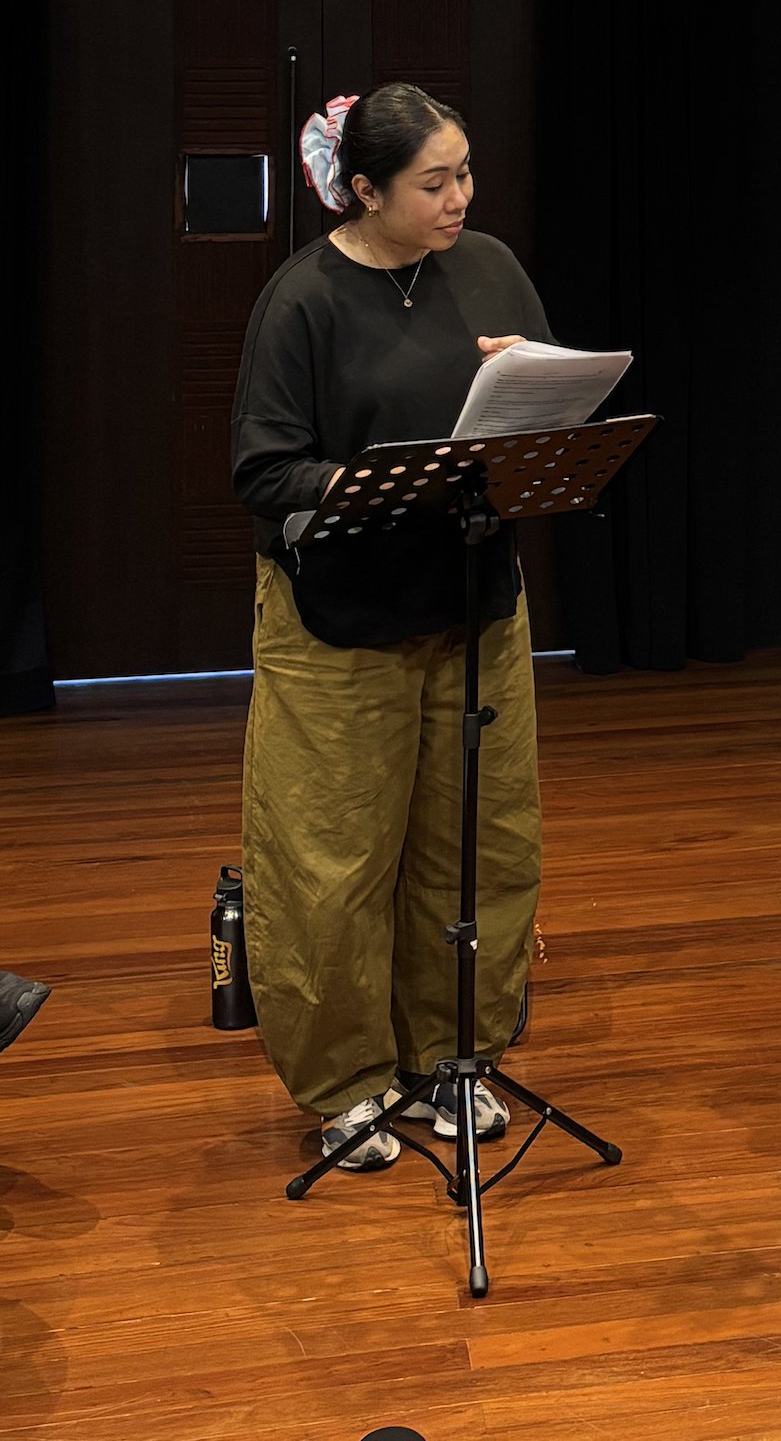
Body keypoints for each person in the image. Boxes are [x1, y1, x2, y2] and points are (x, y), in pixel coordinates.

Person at [231, 82, 549, 1171]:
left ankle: (450, 1058)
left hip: (471, 605)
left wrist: (530, 391)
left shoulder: (492, 265)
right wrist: (388, 479)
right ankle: (347, 1079)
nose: (460, 196)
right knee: (331, 860)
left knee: (478, 849)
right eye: (434, 182)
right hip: (339, 622)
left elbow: (548, 421)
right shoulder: (302, 299)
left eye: (465, 171)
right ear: (364, 191)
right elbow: (266, 471)